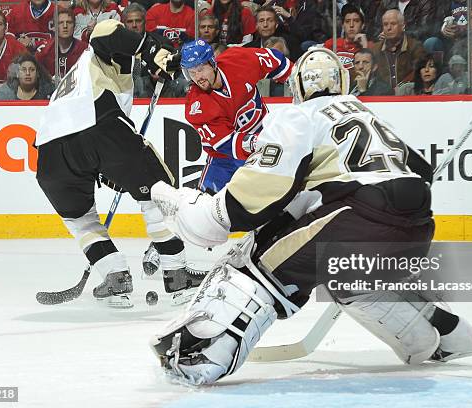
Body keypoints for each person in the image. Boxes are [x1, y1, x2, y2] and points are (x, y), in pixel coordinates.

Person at [148, 48, 472, 385]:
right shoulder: (363, 111)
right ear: (342, 80)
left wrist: (216, 214)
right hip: (417, 227)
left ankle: (205, 354)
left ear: (297, 86)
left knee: (257, 266)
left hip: (356, 220)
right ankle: (447, 335)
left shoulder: (301, 116)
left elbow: (260, 190)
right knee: (353, 284)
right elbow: (421, 168)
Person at [35, 19, 201, 307]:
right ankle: (177, 275)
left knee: (81, 220)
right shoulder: (98, 51)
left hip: (49, 155)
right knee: (159, 190)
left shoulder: (84, 78)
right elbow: (108, 32)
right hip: (98, 126)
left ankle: (115, 277)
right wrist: (152, 50)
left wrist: (110, 168)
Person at [178, 38, 293, 194]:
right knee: (205, 206)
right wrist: (261, 142)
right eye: (191, 72)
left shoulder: (239, 60)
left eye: (201, 69)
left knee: (279, 197)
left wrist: (296, 84)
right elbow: (228, 144)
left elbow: (276, 60)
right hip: (223, 159)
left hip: (264, 140)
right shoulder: (197, 107)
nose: (198, 77)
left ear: (213, 63)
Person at [372, 9, 425, 90]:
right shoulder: (375, 49)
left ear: (403, 26)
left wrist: (400, 88)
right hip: (382, 97)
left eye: (393, 24)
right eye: (385, 24)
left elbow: (419, 72)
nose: (389, 28)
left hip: (408, 95)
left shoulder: (415, 46)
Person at [36, 8, 87, 79]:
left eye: (69, 22)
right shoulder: (44, 51)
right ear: (54, 27)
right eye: (60, 23)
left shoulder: (85, 50)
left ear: (74, 26)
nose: (65, 26)